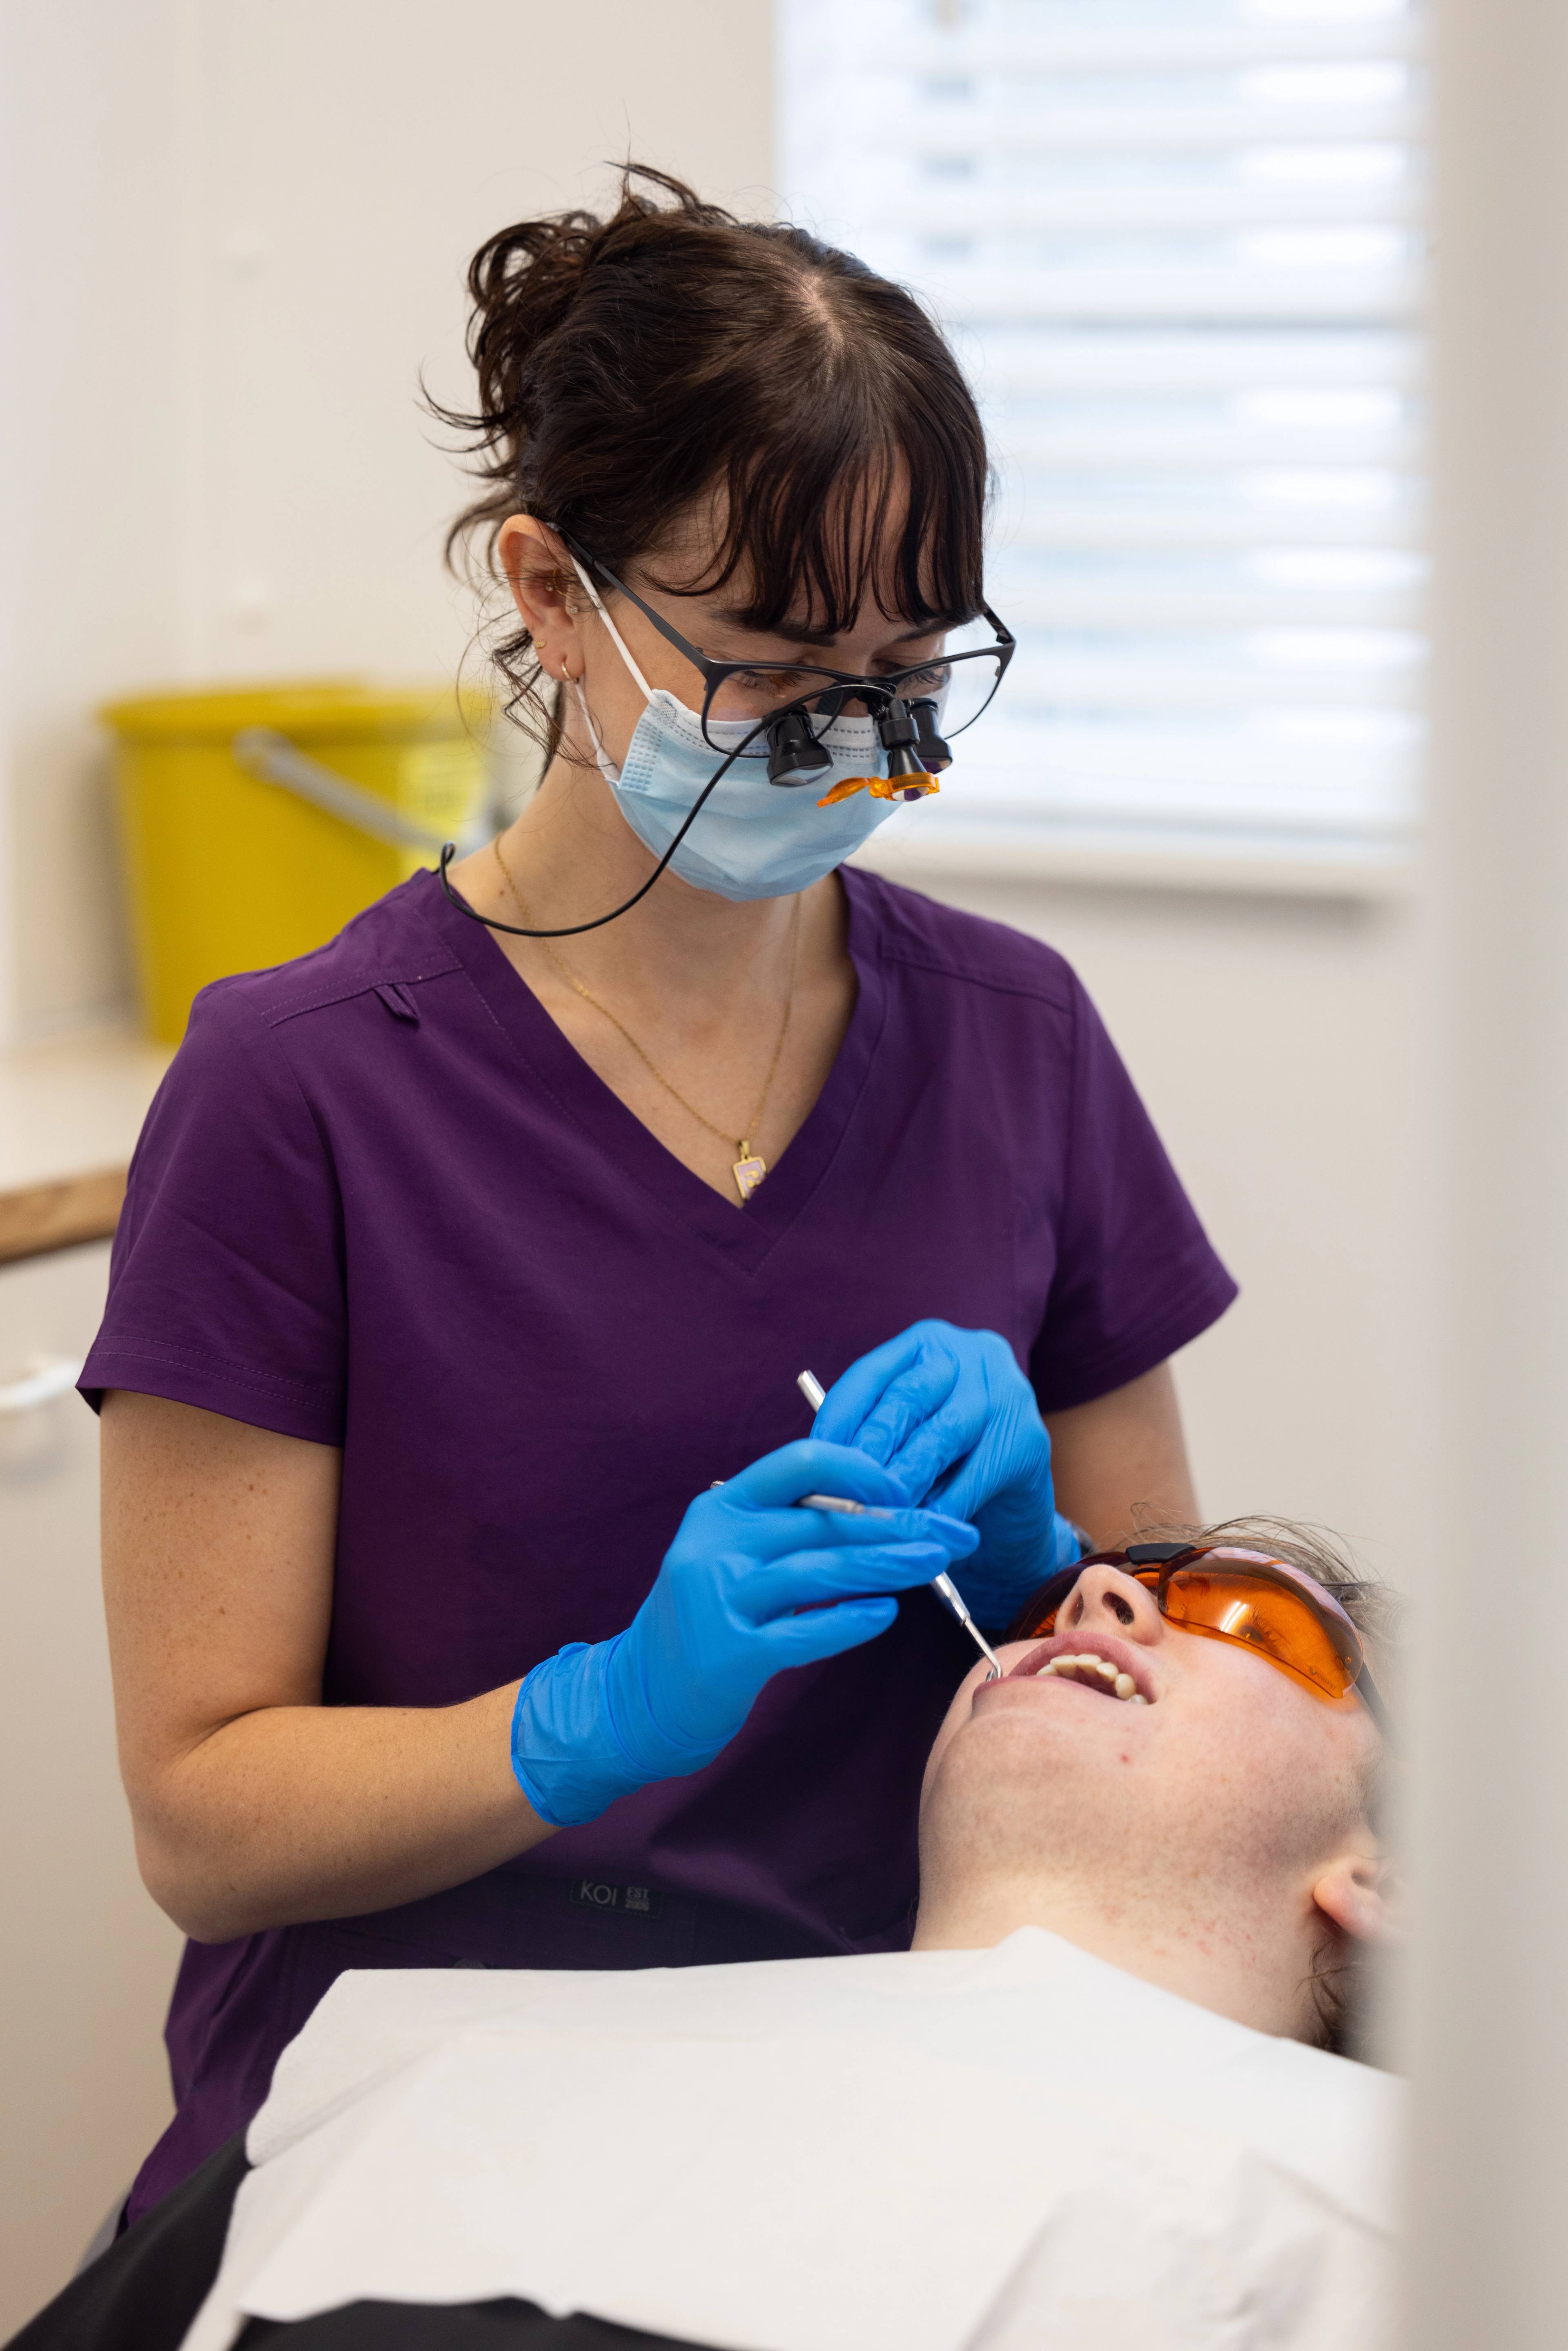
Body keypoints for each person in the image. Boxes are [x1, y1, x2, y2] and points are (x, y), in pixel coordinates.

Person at [82, 166, 1237, 2226]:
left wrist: (1052, 1558)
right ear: (550, 590)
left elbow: (1180, 1667)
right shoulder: (305, 1087)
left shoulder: (1017, 1035)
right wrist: (592, 1717)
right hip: (432, 2094)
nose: (851, 740)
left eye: (907, 672)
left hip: (905, 2072)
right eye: (775, 668)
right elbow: (204, 1821)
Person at [18, 1523, 1398, 2351]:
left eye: (1251, 1614)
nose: (1096, 1595)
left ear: (1391, 1880)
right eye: (1065, 1595)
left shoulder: (1419, 2207)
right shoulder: (441, 2049)